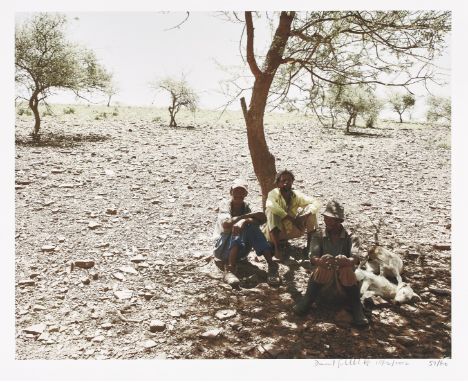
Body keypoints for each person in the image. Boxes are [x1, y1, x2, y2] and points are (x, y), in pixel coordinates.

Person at [292, 200, 369, 327]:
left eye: (332, 220)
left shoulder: (351, 237)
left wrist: (347, 261)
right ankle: (307, 299)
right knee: (326, 259)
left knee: (345, 265)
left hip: (344, 284)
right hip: (323, 283)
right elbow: (313, 257)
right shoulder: (318, 235)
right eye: (326, 219)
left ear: (339, 221)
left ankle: (356, 308)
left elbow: (355, 257)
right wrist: (320, 261)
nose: (328, 222)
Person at [212, 178, 281, 287]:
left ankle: (272, 266)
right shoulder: (225, 205)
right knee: (238, 226)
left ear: (246, 194)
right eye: (236, 191)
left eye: (242, 191)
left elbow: (263, 218)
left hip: (240, 251)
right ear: (231, 192)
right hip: (222, 250)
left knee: (251, 227)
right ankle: (230, 269)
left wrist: (244, 221)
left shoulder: (248, 206)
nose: (238, 194)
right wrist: (244, 219)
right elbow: (226, 224)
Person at [264, 170, 321, 261]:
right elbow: (270, 205)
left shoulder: (296, 195)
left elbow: (316, 202)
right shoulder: (273, 193)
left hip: (292, 229)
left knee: (311, 211)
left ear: (292, 182)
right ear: (278, 183)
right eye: (283, 181)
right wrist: (290, 218)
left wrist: (305, 216)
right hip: (274, 233)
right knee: (272, 212)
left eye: (289, 180)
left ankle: (309, 248)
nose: (286, 183)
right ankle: (277, 250)